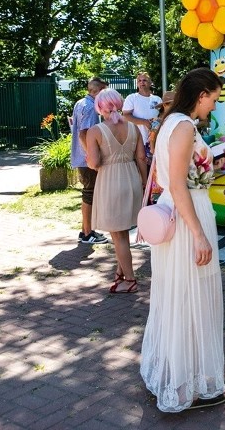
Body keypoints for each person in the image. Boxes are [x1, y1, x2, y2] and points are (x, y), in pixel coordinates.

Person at [140, 67, 225, 411]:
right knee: (187, 298)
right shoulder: (183, 126)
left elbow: (181, 176)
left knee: (180, 295)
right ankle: (181, 386)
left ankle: (179, 375)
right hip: (186, 218)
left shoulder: (171, 124)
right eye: (214, 99)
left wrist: (214, 166)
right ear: (202, 94)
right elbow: (177, 183)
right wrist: (199, 235)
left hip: (183, 211)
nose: (214, 107)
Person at [85, 88, 147, 294]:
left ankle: (130, 279)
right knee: (123, 231)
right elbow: (141, 158)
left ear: (100, 108)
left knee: (118, 235)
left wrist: (90, 160)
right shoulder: (134, 128)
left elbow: (94, 163)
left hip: (110, 181)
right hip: (132, 178)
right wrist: (145, 182)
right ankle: (121, 273)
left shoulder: (95, 131)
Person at [70, 76, 109, 245]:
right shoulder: (91, 107)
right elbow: (84, 133)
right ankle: (87, 233)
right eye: (104, 91)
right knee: (90, 193)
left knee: (88, 192)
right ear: (97, 91)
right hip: (87, 160)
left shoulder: (80, 103)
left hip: (81, 158)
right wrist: (92, 157)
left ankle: (85, 230)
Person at [122, 72, 162, 159]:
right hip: (136, 141)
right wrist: (144, 122)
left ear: (150, 82)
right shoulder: (132, 98)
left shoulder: (157, 99)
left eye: (144, 80)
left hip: (153, 141)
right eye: (139, 81)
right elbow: (125, 116)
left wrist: (155, 123)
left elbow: (161, 116)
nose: (141, 82)